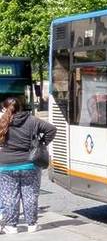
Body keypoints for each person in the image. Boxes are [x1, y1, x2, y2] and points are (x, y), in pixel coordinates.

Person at [0, 98, 57, 233]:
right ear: (22, 107)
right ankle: (32, 224)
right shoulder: (32, 120)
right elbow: (51, 129)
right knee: (30, 194)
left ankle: (11, 226)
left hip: (6, 165)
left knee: (9, 196)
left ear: (4, 108)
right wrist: (41, 143)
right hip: (29, 163)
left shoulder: (2, 121)